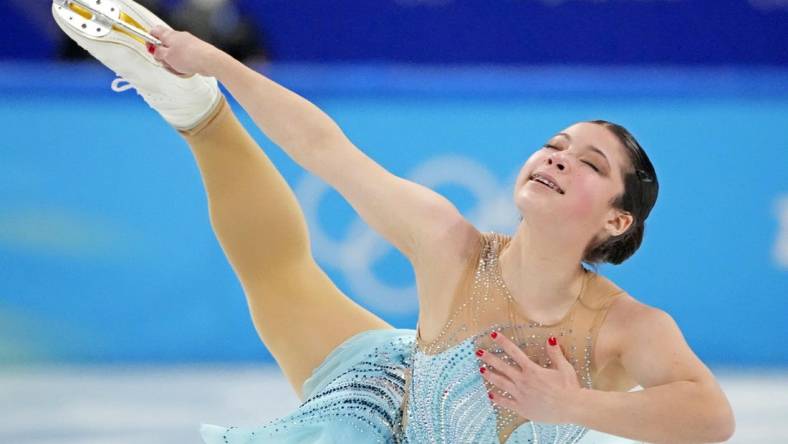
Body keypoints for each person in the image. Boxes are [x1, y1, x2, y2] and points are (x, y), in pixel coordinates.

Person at [50, 1, 736, 443]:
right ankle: (198, 113)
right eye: (554, 145)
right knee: (275, 276)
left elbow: (712, 418)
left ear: (617, 219)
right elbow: (325, 150)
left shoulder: (625, 328)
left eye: (588, 163)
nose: (557, 160)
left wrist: (572, 407)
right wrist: (215, 63)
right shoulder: (452, 244)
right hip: (381, 398)